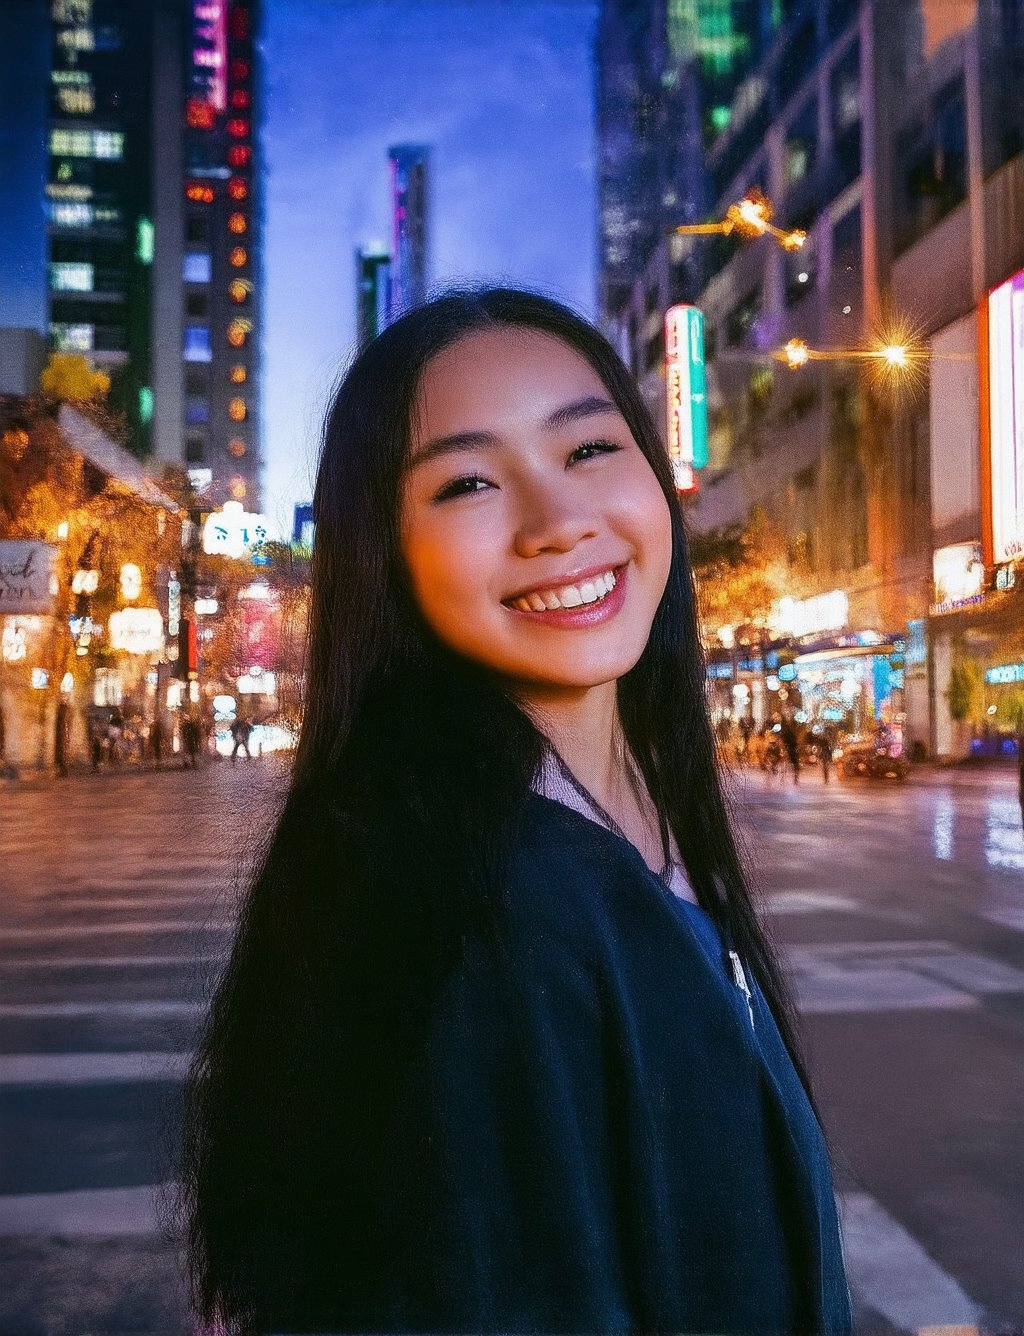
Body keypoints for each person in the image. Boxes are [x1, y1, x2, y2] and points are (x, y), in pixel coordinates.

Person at [180, 289, 852, 1336]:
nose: (558, 524)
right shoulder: (479, 907)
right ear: (383, 552)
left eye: (587, 450)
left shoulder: (623, 833)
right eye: (469, 482)